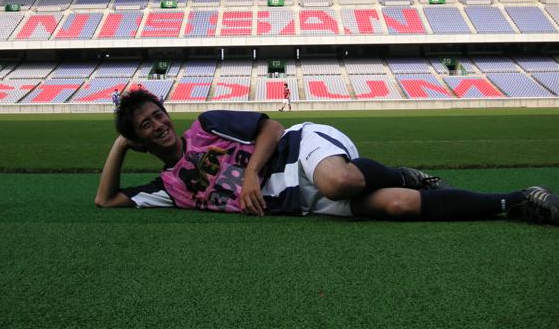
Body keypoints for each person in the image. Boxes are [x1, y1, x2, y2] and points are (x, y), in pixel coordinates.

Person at [95, 90, 559, 225]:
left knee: (340, 181)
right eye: (145, 126)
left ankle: (399, 173)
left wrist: (252, 174)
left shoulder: (206, 124)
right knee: (398, 206)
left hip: (301, 151)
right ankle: (517, 200)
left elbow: (272, 127)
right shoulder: (169, 188)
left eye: (158, 115)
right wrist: (118, 143)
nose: (158, 124)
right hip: (297, 202)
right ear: (139, 141)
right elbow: (107, 201)